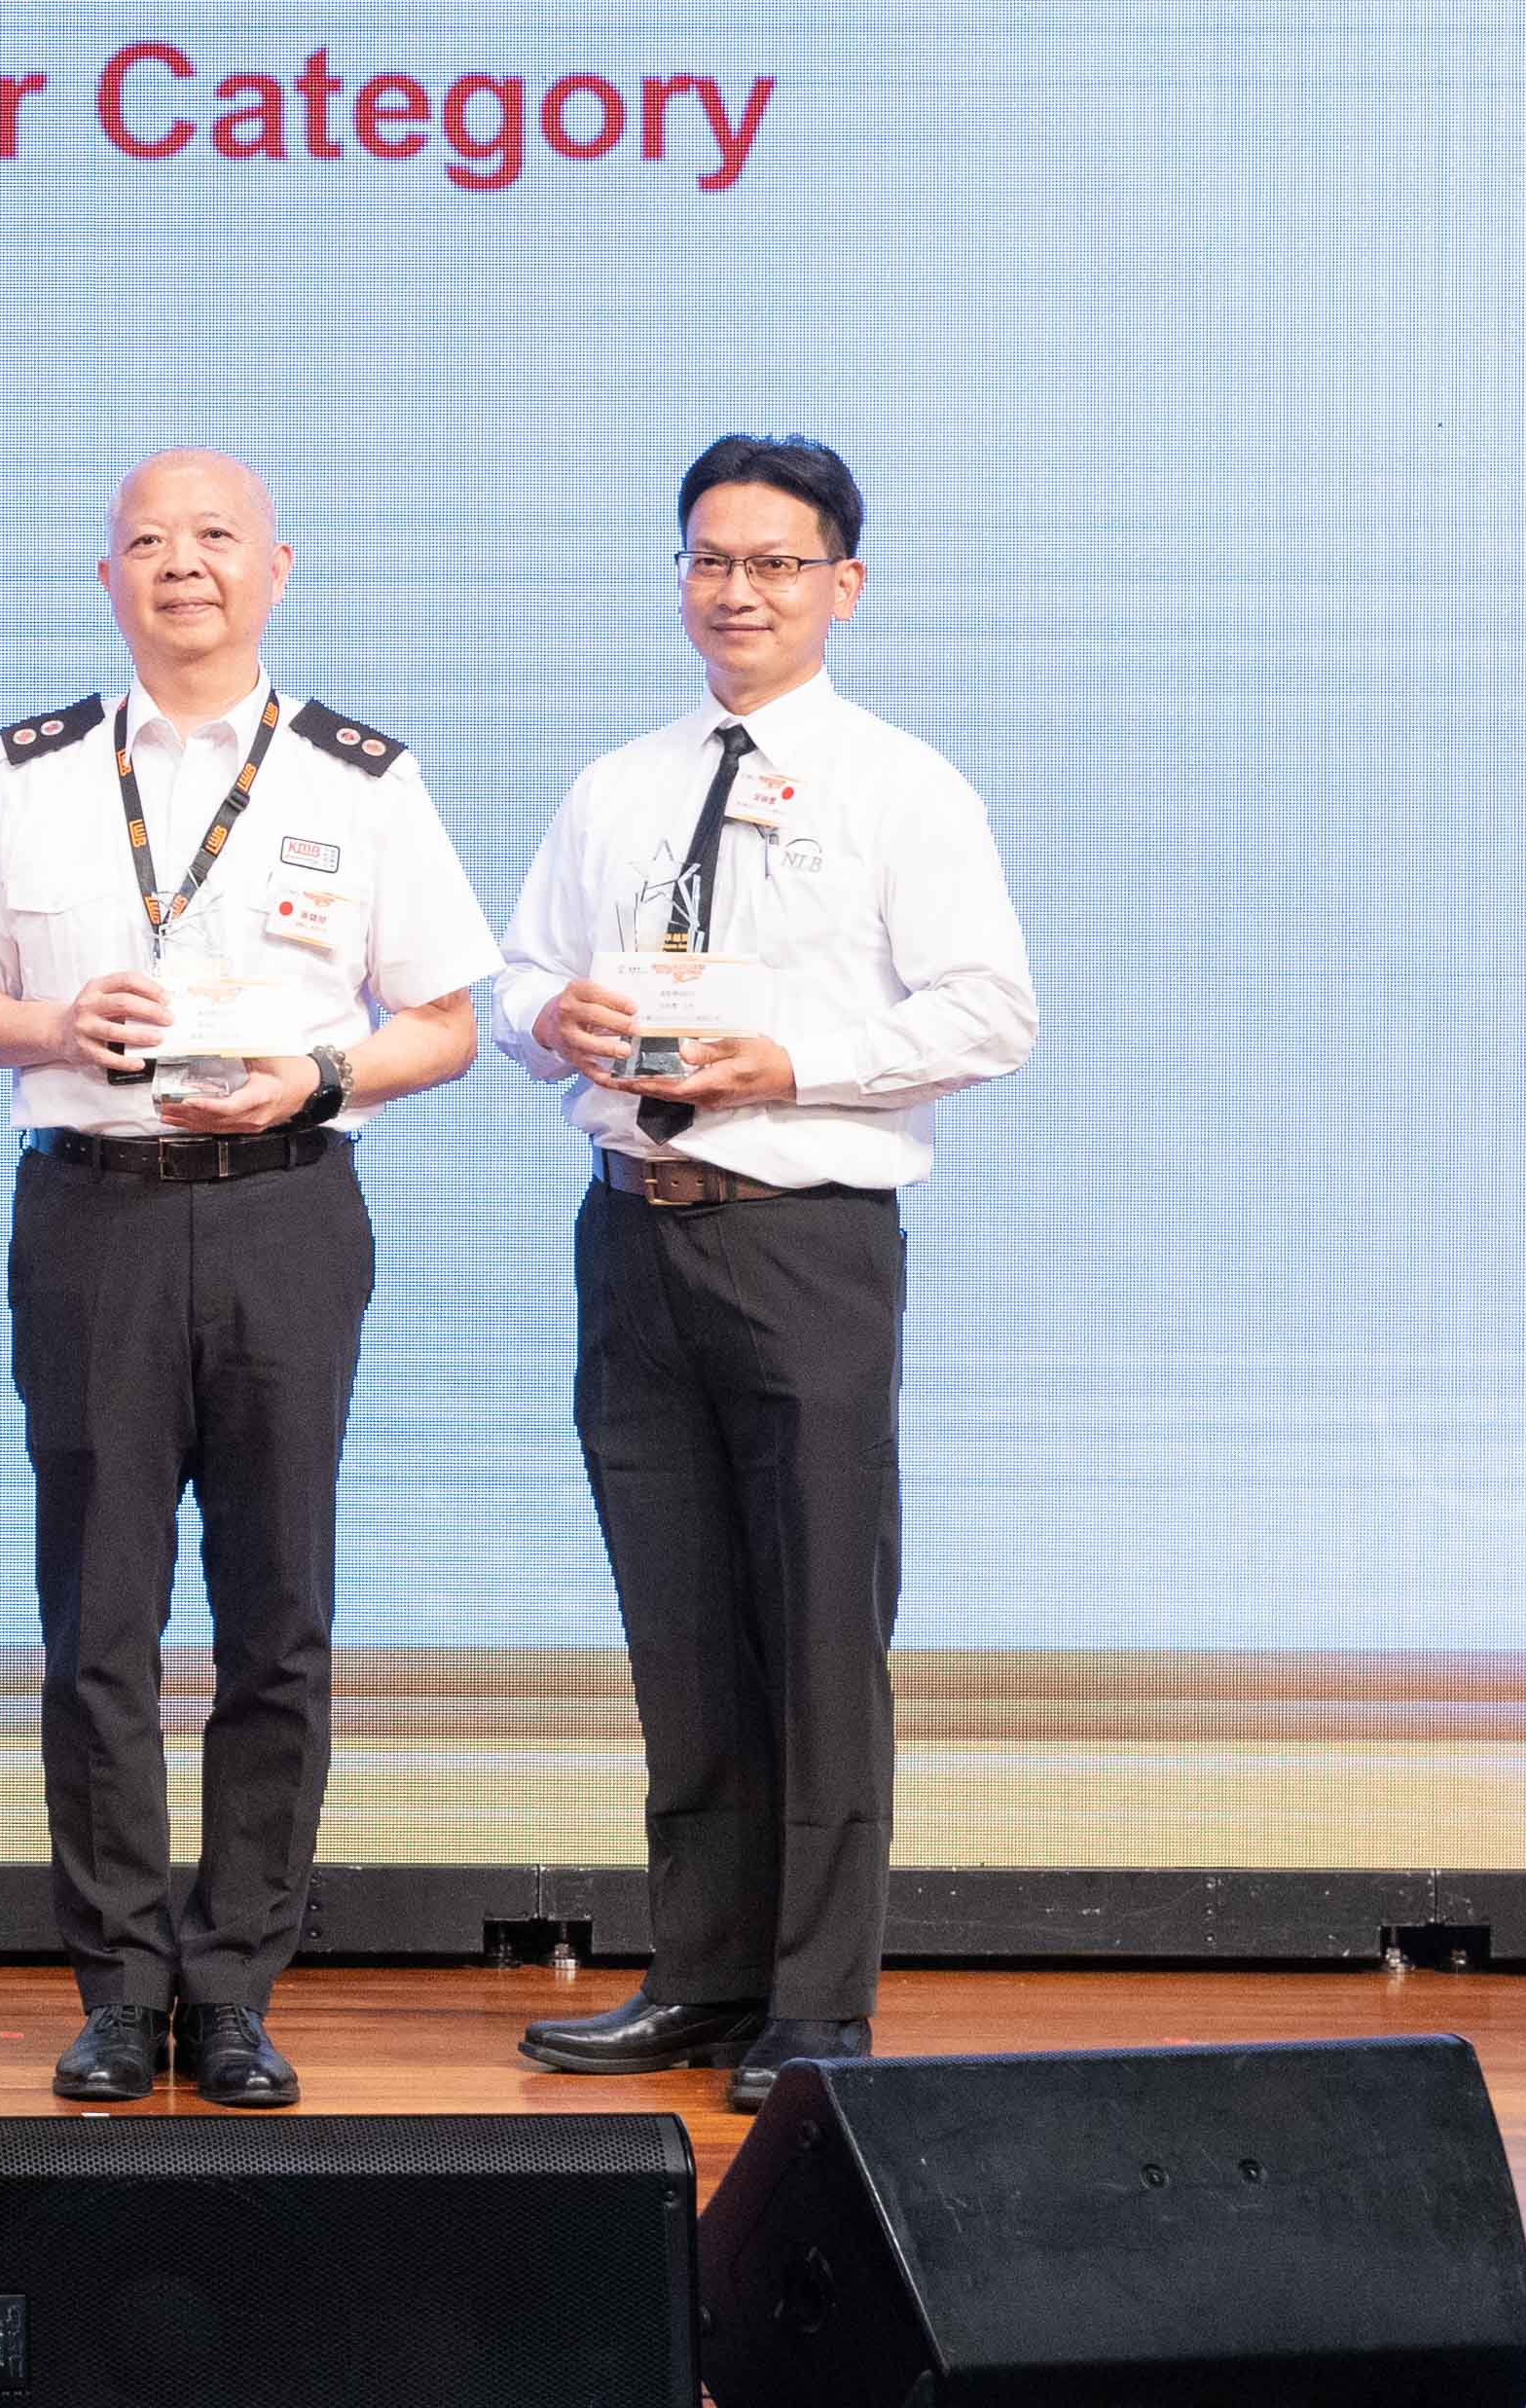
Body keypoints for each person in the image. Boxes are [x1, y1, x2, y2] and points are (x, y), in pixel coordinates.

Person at [0, 451, 492, 2112]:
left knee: (276, 1616)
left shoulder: (361, 779)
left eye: (215, 538)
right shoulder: (28, 771)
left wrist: (317, 1077)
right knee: (97, 1618)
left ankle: (234, 1987)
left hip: (284, 1210)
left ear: (277, 568)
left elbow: (446, 1018)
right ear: (107, 579)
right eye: (148, 541)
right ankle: (115, 1986)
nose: (183, 566)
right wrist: (46, 1026)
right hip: (89, 1208)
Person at [492, 433, 1036, 2108]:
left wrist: (783, 1064)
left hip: (803, 1239)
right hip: (631, 1230)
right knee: (682, 1628)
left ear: (842, 587)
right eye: (709, 561)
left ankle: (818, 2004)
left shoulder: (902, 786)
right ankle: (703, 1978)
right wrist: (549, 1019)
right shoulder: (621, 785)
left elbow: (987, 1014)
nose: (737, 592)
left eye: (776, 564)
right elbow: (519, 977)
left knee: (815, 1630)